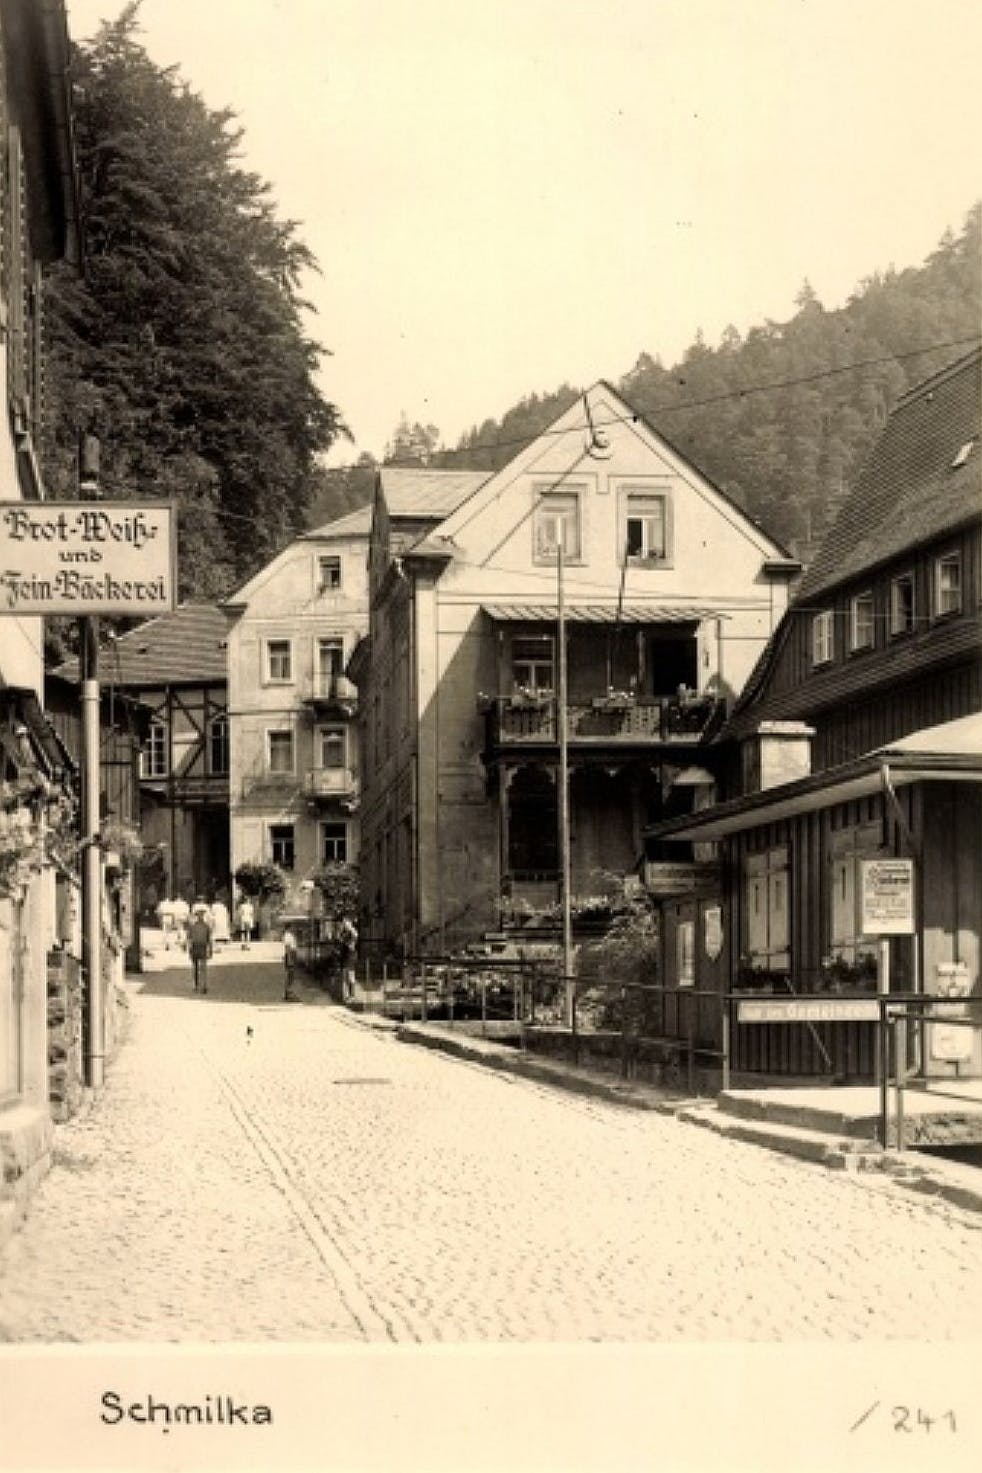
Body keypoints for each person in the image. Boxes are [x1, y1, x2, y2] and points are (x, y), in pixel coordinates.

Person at [188, 902, 213, 994]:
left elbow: (209, 939)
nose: (200, 917)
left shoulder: (206, 926)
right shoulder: (193, 926)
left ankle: (203, 985)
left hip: (202, 946)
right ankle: (196, 984)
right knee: (195, 967)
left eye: (202, 915)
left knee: (203, 967)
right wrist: (189, 948)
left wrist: (210, 949)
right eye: (199, 915)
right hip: (195, 946)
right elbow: (189, 938)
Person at [283, 926, 298, 1001]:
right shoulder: (287, 936)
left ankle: (289, 992)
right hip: (290, 955)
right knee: (290, 975)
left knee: (291, 975)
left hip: (292, 954)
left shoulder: (290, 935)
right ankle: (288, 992)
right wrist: (289, 958)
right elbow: (288, 947)